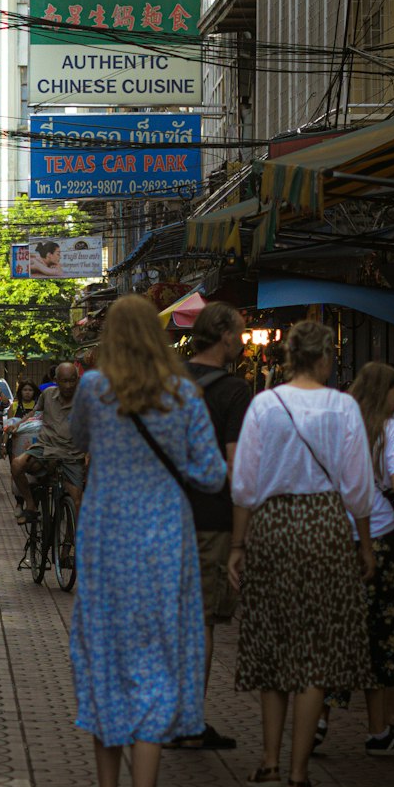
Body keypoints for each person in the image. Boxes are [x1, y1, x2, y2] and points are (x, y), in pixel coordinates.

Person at [68, 296, 227, 787]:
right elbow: (211, 474)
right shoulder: (185, 394)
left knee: (108, 662)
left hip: (107, 539)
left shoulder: (92, 389)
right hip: (164, 543)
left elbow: (78, 441)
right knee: (157, 667)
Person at [230, 320, 375, 787]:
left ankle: (268, 764)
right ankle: (298, 775)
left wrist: (238, 545)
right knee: (316, 649)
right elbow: (358, 487)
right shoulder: (344, 406)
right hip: (327, 527)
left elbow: (245, 483)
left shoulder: (265, 405)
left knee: (272, 643)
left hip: (271, 526)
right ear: (326, 358)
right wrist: (366, 542)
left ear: (288, 356)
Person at [169, 302, 252, 751]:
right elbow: (237, 467)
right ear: (222, 335)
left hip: (161, 516)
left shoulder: (168, 380)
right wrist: (241, 539)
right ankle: (188, 721)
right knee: (200, 621)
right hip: (211, 519)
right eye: (239, 332)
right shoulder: (234, 393)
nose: (242, 340)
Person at [341, 363, 394, 755]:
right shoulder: (389, 431)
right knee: (386, 632)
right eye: (393, 392)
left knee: (342, 629)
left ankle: (319, 718)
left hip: (338, 537)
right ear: (380, 393)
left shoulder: (342, 428)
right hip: (380, 537)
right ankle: (386, 725)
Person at [11, 362, 84, 523]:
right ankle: (30, 506)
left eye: (72, 380)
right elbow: (34, 412)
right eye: (64, 381)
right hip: (45, 448)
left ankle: (72, 541)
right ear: (56, 380)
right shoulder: (48, 394)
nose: (68, 385)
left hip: (72, 453)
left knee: (77, 501)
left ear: (77, 380)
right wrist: (17, 424)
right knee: (17, 464)